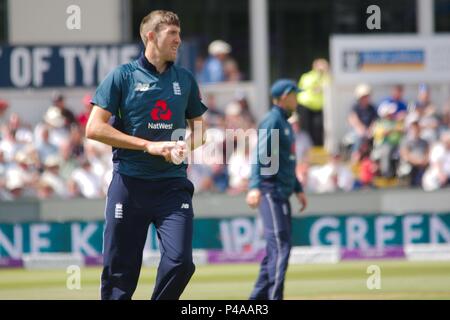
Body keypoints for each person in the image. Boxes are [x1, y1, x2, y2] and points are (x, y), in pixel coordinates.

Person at [85, 10, 207, 300]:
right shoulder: (122, 76)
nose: (179, 40)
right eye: (172, 34)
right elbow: (94, 128)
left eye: (179, 33)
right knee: (120, 274)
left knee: (181, 263)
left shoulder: (185, 79)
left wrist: (182, 147)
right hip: (129, 185)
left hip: (172, 186)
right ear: (151, 36)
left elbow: (201, 133)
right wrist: (148, 146)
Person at [246, 79, 307, 300]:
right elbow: (261, 155)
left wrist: (298, 188)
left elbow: (286, 160)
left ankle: (256, 301)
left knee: (277, 249)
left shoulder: (285, 122)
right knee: (280, 246)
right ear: (284, 96)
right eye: (295, 94)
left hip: (282, 192)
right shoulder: (272, 120)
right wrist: (254, 187)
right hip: (270, 190)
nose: (297, 98)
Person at [296, 58, 330, 146]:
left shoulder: (326, 76)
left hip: (318, 107)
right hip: (305, 106)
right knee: (305, 130)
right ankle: (306, 150)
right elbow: (310, 86)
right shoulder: (307, 76)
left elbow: (329, 84)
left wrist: (325, 73)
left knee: (318, 130)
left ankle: (317, 151)